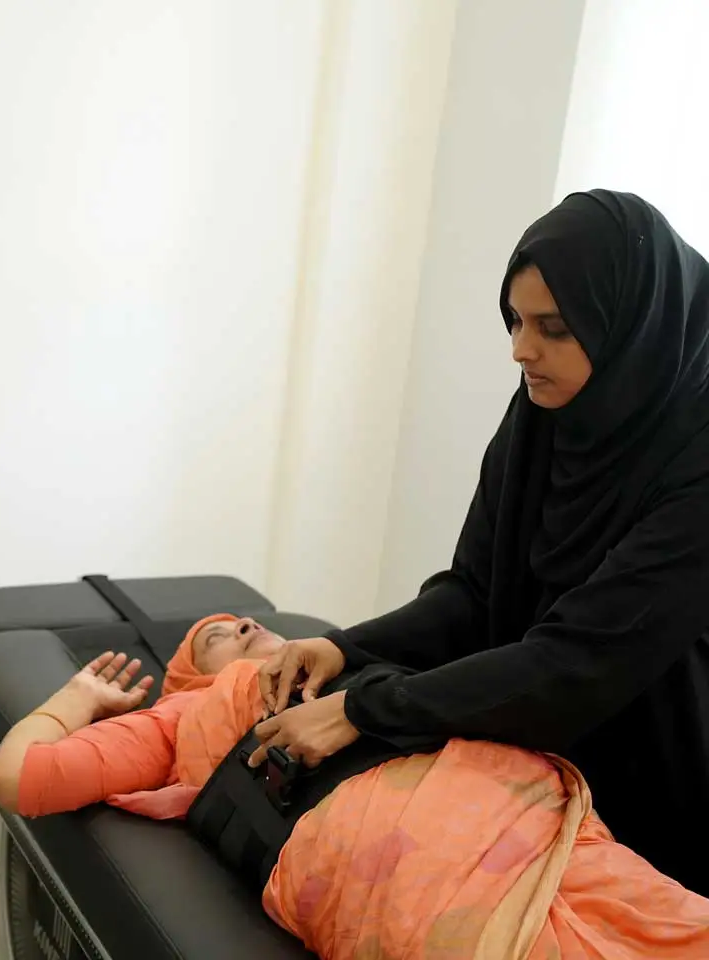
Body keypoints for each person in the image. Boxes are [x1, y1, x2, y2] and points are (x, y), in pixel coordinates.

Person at [250, 189, 709, 896]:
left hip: (664, 808)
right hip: (535, 781)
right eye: (517, 321)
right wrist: (348, 647)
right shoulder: (545, 409)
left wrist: (364, 706)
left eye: (554, 327)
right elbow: (474, 592)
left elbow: (579, 662)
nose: (521, 350)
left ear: (629, 325)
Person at [0, 615, 709, 960]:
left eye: (245, 621)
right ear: (196, 680)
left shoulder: (346, 660)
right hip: (425, 885)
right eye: (217, 639)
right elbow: (19, 777)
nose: (242, 625)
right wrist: (74, 700)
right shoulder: (182, 723)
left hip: (525, 821)